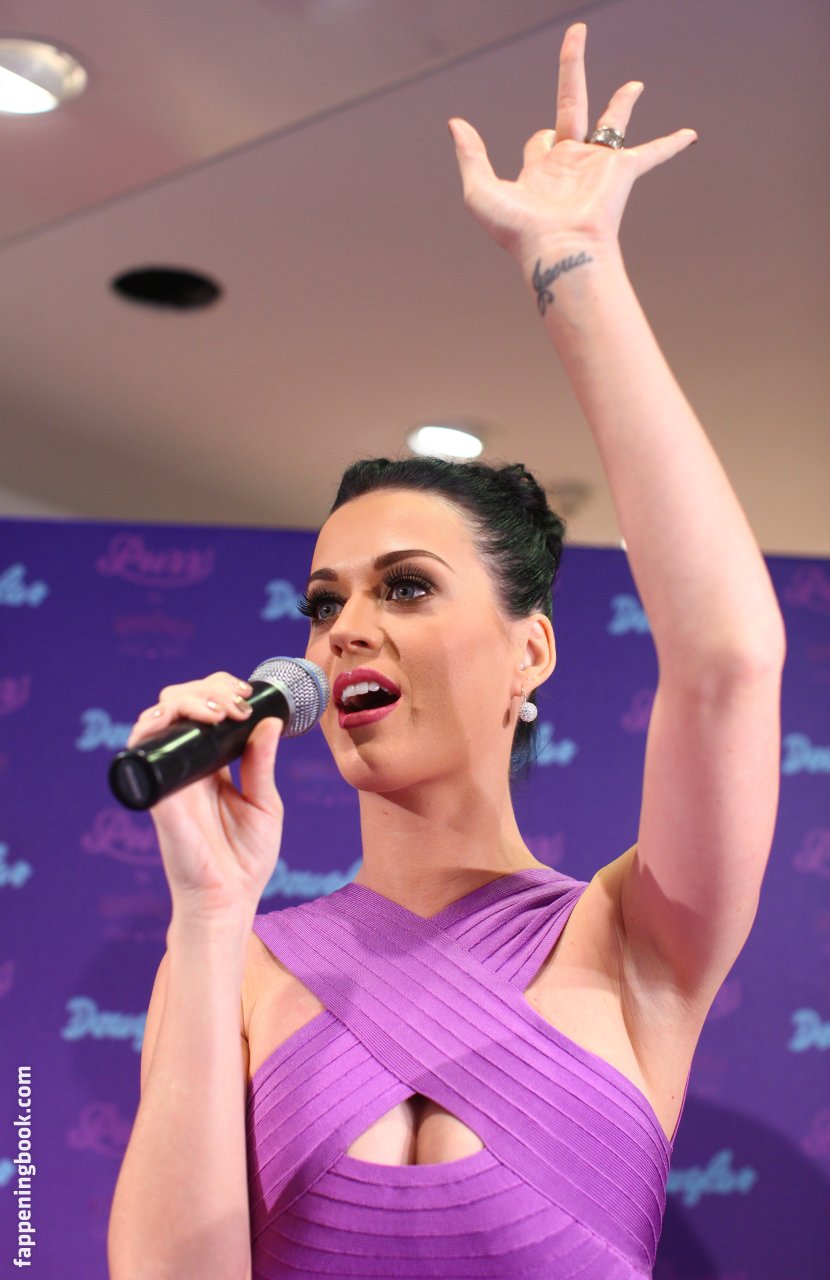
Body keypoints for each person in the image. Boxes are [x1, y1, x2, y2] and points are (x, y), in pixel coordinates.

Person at [107, 22, 786, 1280]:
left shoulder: (633, 939)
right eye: (324, 602)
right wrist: (205, 911)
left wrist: (572, 262)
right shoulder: (237, 962)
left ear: (531, 650)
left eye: (407, 587)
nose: (345, 627)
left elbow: (728, 659)